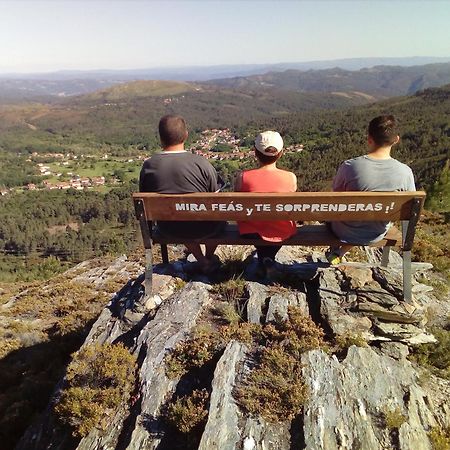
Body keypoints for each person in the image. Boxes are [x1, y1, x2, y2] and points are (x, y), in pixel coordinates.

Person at [139, 114, 224, 273]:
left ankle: (202, 261)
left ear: (161, 138)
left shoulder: (148, 165)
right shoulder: (201, 163)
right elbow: (216, 198)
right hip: (206, 227)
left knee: (181, 221)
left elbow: (144, 201)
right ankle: (208, 258)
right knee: (219, 218)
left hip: (169, 228)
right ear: (186, 135)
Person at [327, 115, 416, 264]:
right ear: (396, 140)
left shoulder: (349, 167)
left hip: (343, 230)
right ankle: (340, 252)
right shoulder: (405, 172)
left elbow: (335, 197)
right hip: (377, 233)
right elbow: (411, 205)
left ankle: (338, 251)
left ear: (369, 138)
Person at [235, 131, 297, 276]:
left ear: (255, 153)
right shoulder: (290, 177)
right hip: (283, 231)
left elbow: (237, 203)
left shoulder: (243, 177)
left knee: (258, 227)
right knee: (274, 226)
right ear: (280, 153)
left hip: (250, 232)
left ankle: (265, 258)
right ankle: (268, 258)